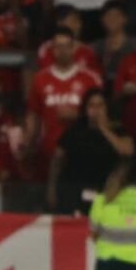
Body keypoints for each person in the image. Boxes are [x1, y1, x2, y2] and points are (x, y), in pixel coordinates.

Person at [47, 88, 134, 215]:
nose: (95, 110)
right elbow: (57, 159)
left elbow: (127, 151)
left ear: (107, 107)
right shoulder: (76, 129)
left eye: (100, 105)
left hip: (104, 192)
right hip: (73, 190)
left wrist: (103, 128)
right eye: (91, 106)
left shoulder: (117, 130)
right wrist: (51, 189)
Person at [26, 26, 102, 169]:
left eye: (67, 46)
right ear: (52, 50)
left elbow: (102, 114)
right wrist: (30, 144)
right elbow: (33, 114)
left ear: (74, 48)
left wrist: (78, 115)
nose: (63, 51)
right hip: (49, 149)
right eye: (58, 46)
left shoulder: (91, 79)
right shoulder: (40, 79)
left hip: (84, 150)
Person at [36, 4, 102, 74]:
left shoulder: (88, 51)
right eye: (74, 21)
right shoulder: (47, 49)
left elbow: (96, 78)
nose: (79, 25)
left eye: (79, 21)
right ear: (60, 23)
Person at [92, 0, 134, 94]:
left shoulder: (135, 46)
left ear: (125, 19)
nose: (112, 19)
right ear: (102, 20)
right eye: (108, 15)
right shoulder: (95, 47)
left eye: (116, 15)